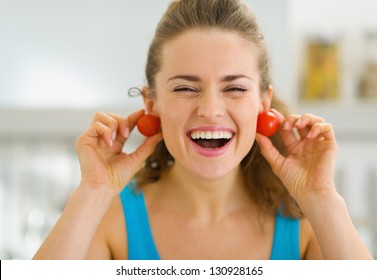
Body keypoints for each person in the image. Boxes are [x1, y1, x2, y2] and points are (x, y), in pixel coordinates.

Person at [33, 0, 373, 260]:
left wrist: (322, 198)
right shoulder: (110, 220)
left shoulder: (306, 223)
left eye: (235, 88)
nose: (210, 109)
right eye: (184, 88)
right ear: (152, 104)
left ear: (263, 103)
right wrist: (92, 192)